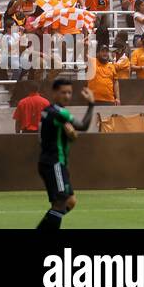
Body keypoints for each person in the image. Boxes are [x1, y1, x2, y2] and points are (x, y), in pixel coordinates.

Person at [36, 78, 95, 230]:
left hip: (52, 162)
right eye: (63, 92)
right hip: (54, 162)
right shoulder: (59, 112)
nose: (67, 96)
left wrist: (70, 136)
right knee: (61, 201)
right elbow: (83, 125)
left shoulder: (47, 111)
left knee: (70, 201)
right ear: (54, 93)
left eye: (69, 92)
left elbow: (60, 134)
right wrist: (91, 104)